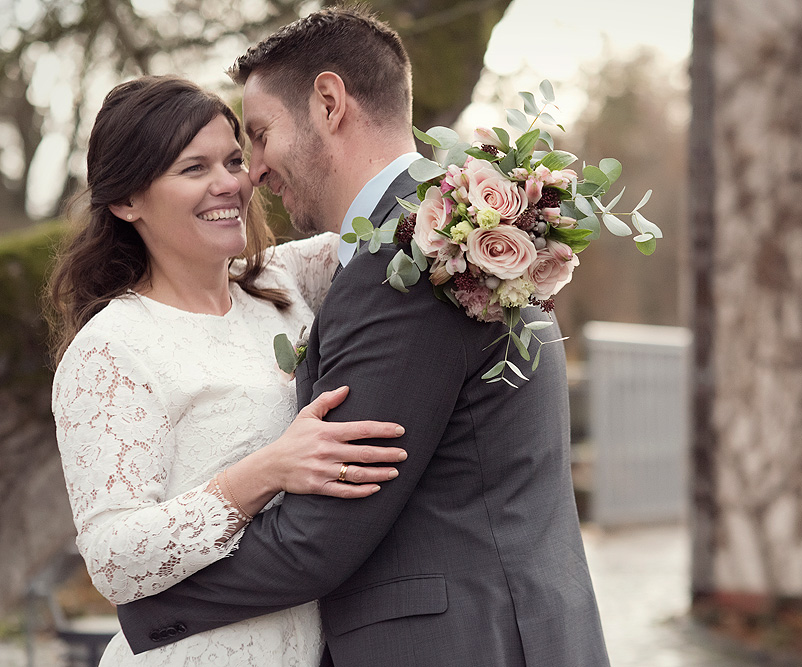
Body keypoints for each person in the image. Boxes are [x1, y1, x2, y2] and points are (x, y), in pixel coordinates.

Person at [117, 6, 611, 667]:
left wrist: (148, 608)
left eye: (260, 134)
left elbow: (321, 536)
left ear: (328, 102)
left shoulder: (407, 268)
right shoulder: (470, 236)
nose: (254, 170)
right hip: (522, 626)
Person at [47, 75, 409, 665]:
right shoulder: (113, 348)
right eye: (194, 169)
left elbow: (395, 218)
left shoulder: (283, 284)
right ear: (125, 201)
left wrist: (509, 199)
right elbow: (113, 560)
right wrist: (267, 470)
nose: (231, 184)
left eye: (235, 160)